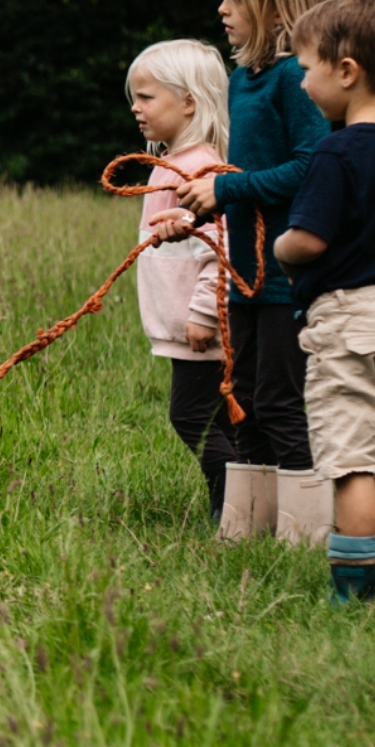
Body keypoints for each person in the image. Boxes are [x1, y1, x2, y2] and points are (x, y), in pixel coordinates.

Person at [167, 0, 333, 545]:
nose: (222, 9)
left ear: (273, 5)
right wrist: (196, 215)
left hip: (287, 276)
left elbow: (312, 166)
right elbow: (240, 180)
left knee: (283, 402)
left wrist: (227, 194)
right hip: (245, 275)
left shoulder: (297, 79)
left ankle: (306, 536)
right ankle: (245, 531)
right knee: (247, 401)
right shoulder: (244, 80)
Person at [272, 0, 375, 602]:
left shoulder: (336, 151)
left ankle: (357, 592)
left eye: (307, 68)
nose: (303, 82)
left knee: (350, 464)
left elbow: (309, 241)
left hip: (345, 319)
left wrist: (281, 247)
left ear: (347, 71)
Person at [124, 38, 242, 525]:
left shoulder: (196, 168)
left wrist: (202, 314)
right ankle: (247, 502)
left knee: (191, 415)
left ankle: (231, 507)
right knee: (214, 415)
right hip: (192, 331)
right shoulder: (172, 163)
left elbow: (217, 249)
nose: (136, 107)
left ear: (189, 102)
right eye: (134, 96)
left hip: (202, 331)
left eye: (147, 97)